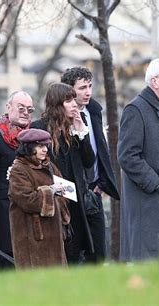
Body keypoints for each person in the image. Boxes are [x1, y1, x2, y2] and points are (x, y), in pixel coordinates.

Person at [117, 58, 159, 261]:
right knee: (149, 261)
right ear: (154, 81)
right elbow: (127, 156)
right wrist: (156, 183)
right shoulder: (136, 110)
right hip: (149, 204)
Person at [31, 83, 95, 264]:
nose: (75, 104)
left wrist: (81, 132)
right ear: (57, 104)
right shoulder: (39, 127)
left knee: (75, 254)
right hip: (51, 201)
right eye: (69, 100)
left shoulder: (74, 128)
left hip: (74, 203)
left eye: (74, 99)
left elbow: (89, 161)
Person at [61, 67, 120, 263]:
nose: (88, 92)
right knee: (73, 251)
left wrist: (101, 184)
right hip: (70, 193)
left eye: (90, 86)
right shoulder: (60, 118)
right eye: (82, 88)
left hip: (93, 190)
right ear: (69, 90)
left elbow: (100, 150)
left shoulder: (94, 111)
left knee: (98, 252)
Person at [0, 91, 33, 258]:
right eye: (21, 108)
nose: (25, 113)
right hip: (6, 213)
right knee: (9, 260)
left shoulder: (34, 137)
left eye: (29, 109)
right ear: (8, 107)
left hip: (31, 210)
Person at [8, 128, 70, 269]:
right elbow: (26, 199)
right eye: (40, 146)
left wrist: (62, 195)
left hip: (54, 234)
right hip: (32, 236)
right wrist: (51, 191)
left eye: (46, 146)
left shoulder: (49, 166)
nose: (45, 150)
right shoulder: (18, 169)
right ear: (29, 147)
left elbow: (64, 191)